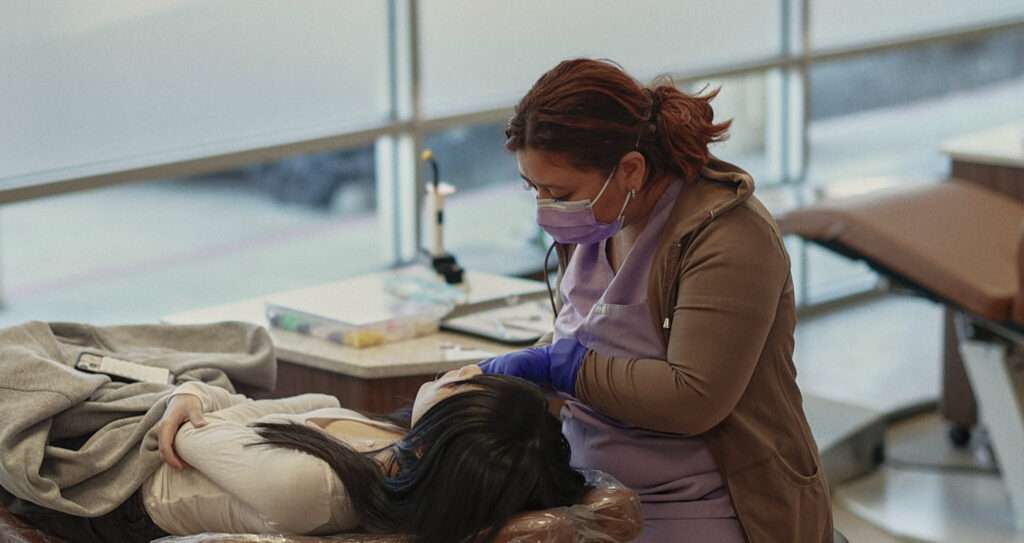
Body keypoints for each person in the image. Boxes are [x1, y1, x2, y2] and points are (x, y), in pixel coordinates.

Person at [477, 58, 833, 542]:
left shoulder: (727, 235)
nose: (545, 207)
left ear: (630, 169)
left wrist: (562, 368)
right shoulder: (597, 220)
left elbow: (694, 398)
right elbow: (591, 335)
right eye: (533, 188)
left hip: (704, 506)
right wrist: (519, 375)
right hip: (593, 490)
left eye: (558, 191)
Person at [10, 366, 588, 543]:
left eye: (466, 384)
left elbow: (191, 432)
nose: (460, 370)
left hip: (112, 496)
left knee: (31, 379)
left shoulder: (315, 489)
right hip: (157, 436)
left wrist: (193, 405)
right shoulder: (381, 446)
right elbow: (237, 404)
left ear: (443, 432)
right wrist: (192, 398)